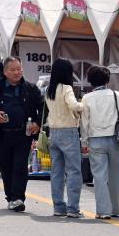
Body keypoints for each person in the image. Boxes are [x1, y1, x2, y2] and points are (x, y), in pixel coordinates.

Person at [0, 56, 43, 212]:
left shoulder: (30, 88)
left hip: (24, 134)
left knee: (20, 166)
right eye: (13, 70)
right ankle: (10, 197)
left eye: (19, 69)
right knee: (6, 167)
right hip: (3, 134)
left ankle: (18, 198)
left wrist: (37, 123)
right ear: (5, 71)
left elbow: (42, 107)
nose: (17, 72)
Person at [80, 65, 119, 219]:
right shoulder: (117, 95)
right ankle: (116, 209)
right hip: (116, 139)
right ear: (107, 80)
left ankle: (103, 211)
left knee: (99, 176)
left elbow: (84, 123)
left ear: (90, 81)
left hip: (96, 140)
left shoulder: (87, 98)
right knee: (117, 175)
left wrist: (84, 143)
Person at [45, 58, 83, 218]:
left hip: (53, 132)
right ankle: (73, 208)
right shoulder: (67, 88)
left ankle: (59, 207)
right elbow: (74, 105)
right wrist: (84, 104)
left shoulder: (49, 89)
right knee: (73, 171)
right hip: (68, 132)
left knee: (57, 171)